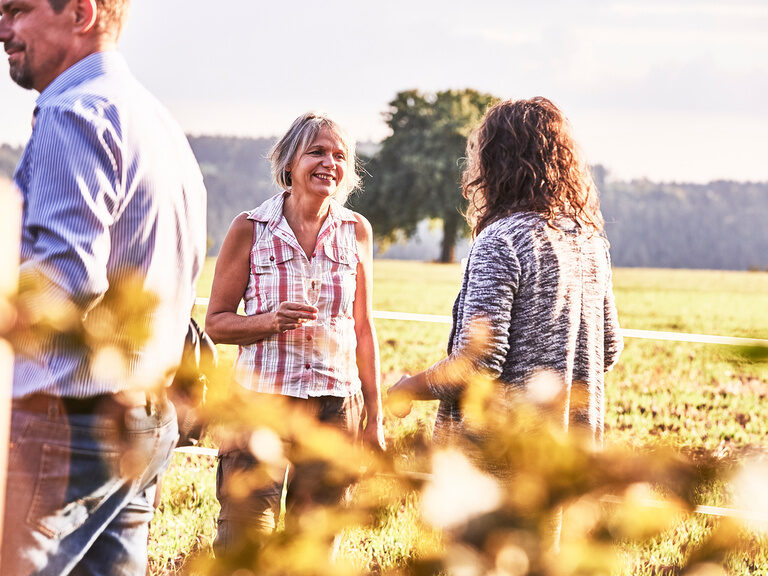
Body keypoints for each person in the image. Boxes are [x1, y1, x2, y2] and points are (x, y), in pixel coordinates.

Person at [0, 0, 207, 573]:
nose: (2, 30)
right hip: (143, 418)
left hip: (63, 420)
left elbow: (66, 278)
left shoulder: (75, 110)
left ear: (83, 12)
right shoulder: (157, 122)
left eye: (17, 10)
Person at [388, 97, 623, 447]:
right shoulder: (589, 242)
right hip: (568, 457)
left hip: (499, 456)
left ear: (496, 162)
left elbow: (477, 364)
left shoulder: (501, 241)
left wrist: (409, 387)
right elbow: (610, 348)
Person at [205, 112, 385, 553]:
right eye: (318, 152)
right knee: (245, 542)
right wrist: (270, 321)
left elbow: (363, 328)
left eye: (340, 156)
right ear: (290, 163)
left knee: (314, 547)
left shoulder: (356, 230)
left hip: (333, 408)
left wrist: (374, 417)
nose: (330, 163)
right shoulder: (250, 228)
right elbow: (216, 322)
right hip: (259, 405)